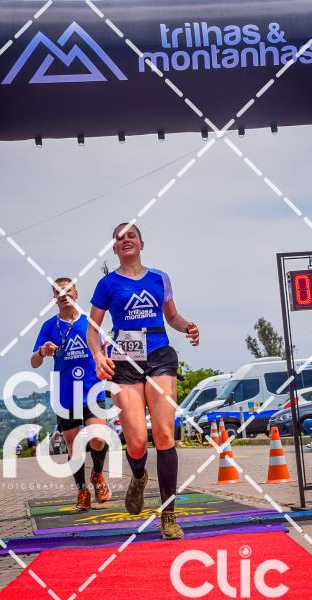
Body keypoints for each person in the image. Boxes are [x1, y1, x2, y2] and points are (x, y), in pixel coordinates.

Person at [87, 223, 199, 540]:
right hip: (124, 361)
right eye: (119, 238)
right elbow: (93, 329)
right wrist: (98, 356)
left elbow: (171, 316)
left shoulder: (160, 278)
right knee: (136, 442)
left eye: (131, 235)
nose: (126, 240)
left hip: (160, 355)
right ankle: (138, 476)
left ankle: (168, 516)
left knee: (163, 434)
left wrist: (188, 326)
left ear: (141, 243)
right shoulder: (107, 284)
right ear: (114, 248)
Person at [32, 277, 112, 511]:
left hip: (92, 390)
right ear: (54, 298)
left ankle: (98, 475)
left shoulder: (91, 322)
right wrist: (42, 351)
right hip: (66, 395)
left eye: (68, 290)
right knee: (74, 447)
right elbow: (34, 362)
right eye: (59, 292)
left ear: (76, 294)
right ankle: (82, 491)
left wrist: (108, 361)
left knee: (98, 438)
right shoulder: (49, 326)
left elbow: (107, 348)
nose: (64, 295)